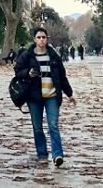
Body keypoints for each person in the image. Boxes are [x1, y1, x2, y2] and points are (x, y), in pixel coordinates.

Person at [14, 27, 75, 166]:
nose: (41, 40)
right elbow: (17, 70)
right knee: (37, 127)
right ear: (34, 39)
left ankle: (57, 155)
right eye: (39, 37)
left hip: (52, 95)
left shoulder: (54, 56)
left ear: (47, 39)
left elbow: (61, 76)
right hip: (34, 97)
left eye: (44, 37)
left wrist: (69, 93)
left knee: (53, 125)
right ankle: (42, 154)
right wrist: (28, 72)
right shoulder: (27, 55)